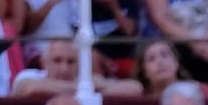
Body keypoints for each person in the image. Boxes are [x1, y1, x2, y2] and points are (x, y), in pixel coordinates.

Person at [12, 35, 143, 96]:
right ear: (44, 62)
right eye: (57, 60)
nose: (64, 68)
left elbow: (135, 88)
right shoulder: (31, 75)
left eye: (71, 61)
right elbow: (29, 88)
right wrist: (88, 88)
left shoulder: (86, 80)